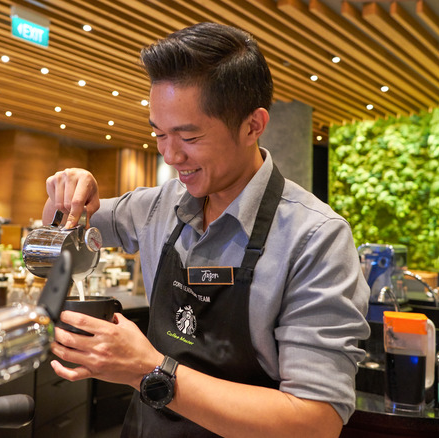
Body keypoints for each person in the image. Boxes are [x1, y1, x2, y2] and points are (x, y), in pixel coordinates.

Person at [44, 23, 370, 438]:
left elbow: (315, 422)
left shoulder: (315, 237)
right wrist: (65, 194)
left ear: (253, 125)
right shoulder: (158, 206)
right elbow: (62, 231)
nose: (170, 155)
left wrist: (149, 370)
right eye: (159, 134)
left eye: (189, 135)